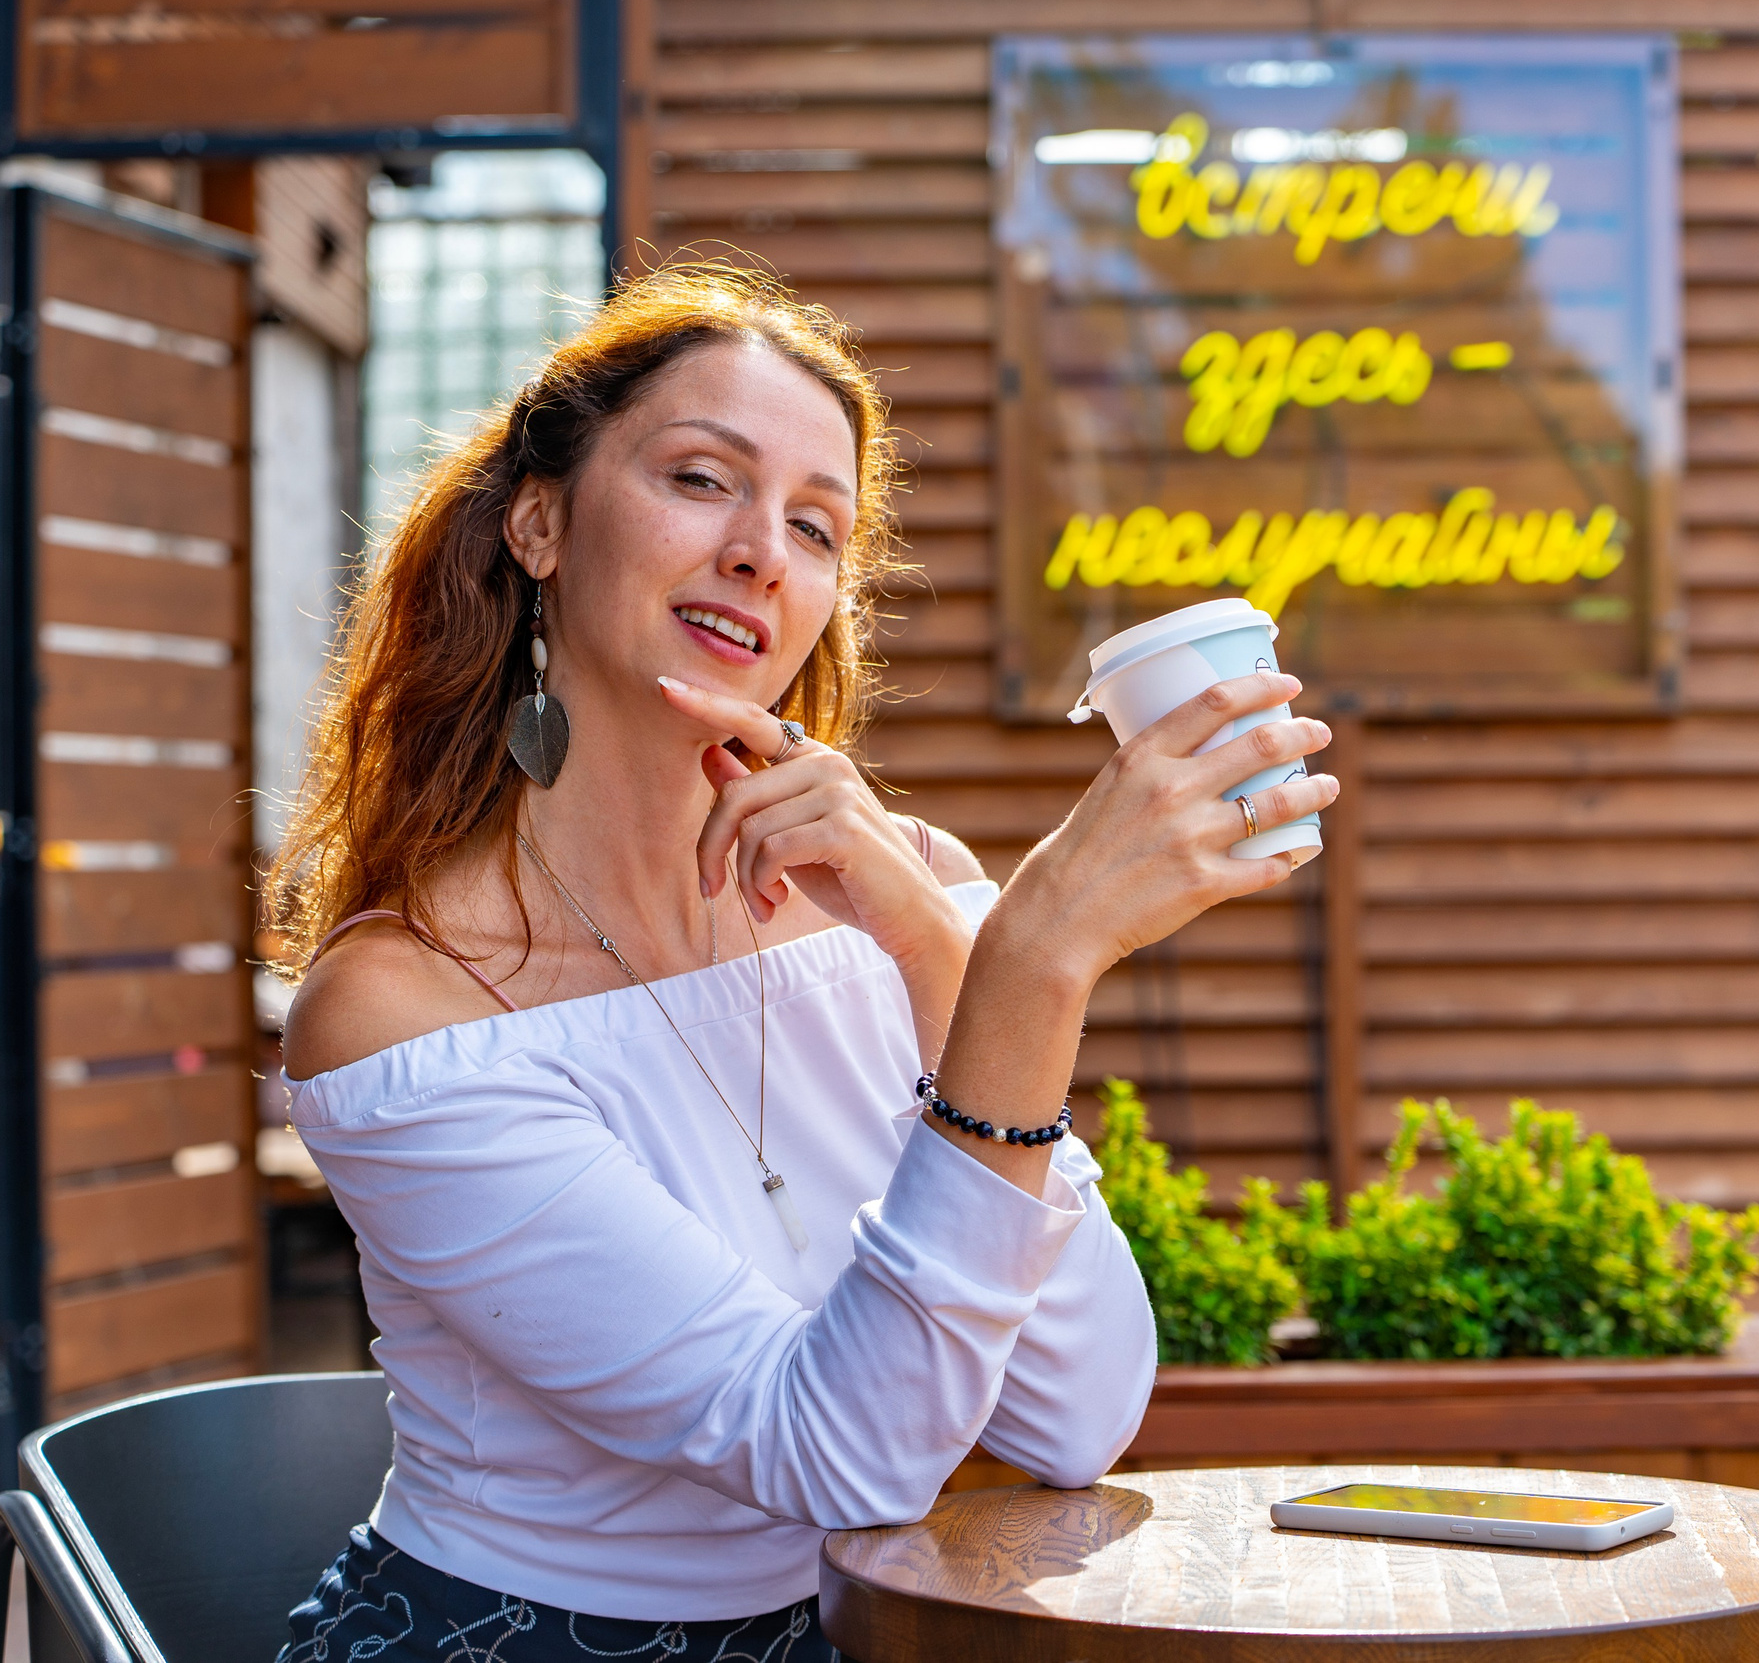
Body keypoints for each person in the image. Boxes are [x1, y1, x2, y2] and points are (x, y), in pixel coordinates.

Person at [268, 261, 1338, 1661]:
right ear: (539, 521)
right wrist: (1035, 958)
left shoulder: (907, 903)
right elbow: (836, 1461)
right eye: (704, 480)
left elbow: (1076, 1414)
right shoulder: (403, 1009)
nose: (766, 551)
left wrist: (947, 954)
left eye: (817, 526)